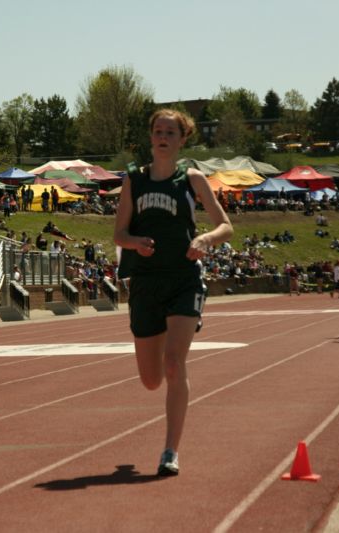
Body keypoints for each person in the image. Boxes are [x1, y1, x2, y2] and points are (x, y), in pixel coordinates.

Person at [113, 108, 233, 477]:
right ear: (151, 138)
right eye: (158, 131)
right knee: (151, 380)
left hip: (184, 277)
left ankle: (170, 451)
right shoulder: (134, 180)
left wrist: (206, 239)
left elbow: (226, 226)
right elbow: (119, 235)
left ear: (182, 140)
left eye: (171, 132)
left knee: (173, 362)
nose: (163, 136)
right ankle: (162, 334)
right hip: (146, 283)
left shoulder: (193, 179)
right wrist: (136, 243)